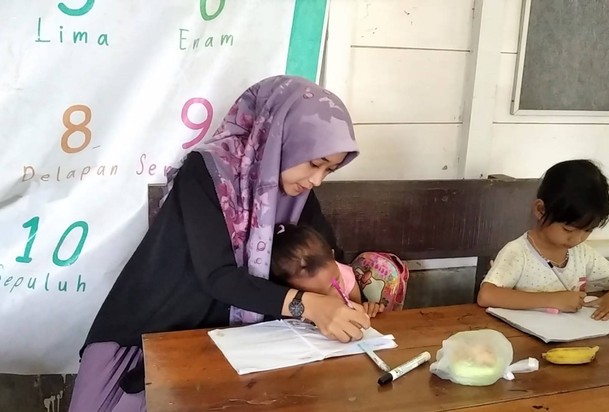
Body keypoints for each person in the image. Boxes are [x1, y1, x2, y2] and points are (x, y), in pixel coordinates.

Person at [69, 75, 371, 412]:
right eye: (315, 163)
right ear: (282, 140)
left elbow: (323, 254)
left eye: (329, 170)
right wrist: (310, 306)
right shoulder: (208, 171)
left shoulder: (299, 194)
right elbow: (218, 275)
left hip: (241, 345)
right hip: (154, 334)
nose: (316, 180)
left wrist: (342, 299)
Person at [477, 159, 609, 321]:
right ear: (540, 210)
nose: (577, 239)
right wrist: (552, 299)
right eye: (568, 229)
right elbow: (487, 295)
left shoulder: (582, 254)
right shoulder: (519, 252)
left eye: (587, 231)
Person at [270, 223, 385, 317]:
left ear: (333, 256)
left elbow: (358, 309)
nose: (333, 296)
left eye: (336, 282)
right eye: (317, 294)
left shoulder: (346, 277)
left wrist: (368, 309)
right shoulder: (294, 304)